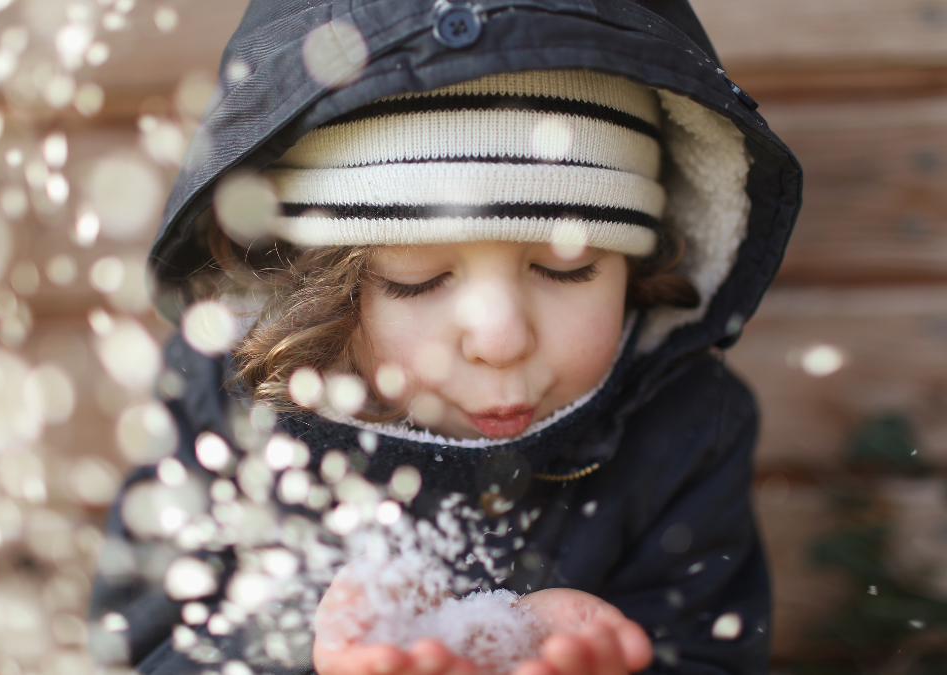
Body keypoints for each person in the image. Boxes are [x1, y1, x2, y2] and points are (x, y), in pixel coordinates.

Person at [90, 1, 802, 674]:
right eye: (416, 279)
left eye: (569, 268)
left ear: (638, 260)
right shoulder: (226, 409)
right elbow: (140, 647)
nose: (500, 338)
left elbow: (713, 651)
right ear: (314, 286)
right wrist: (306, 644)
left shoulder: (686, 427)